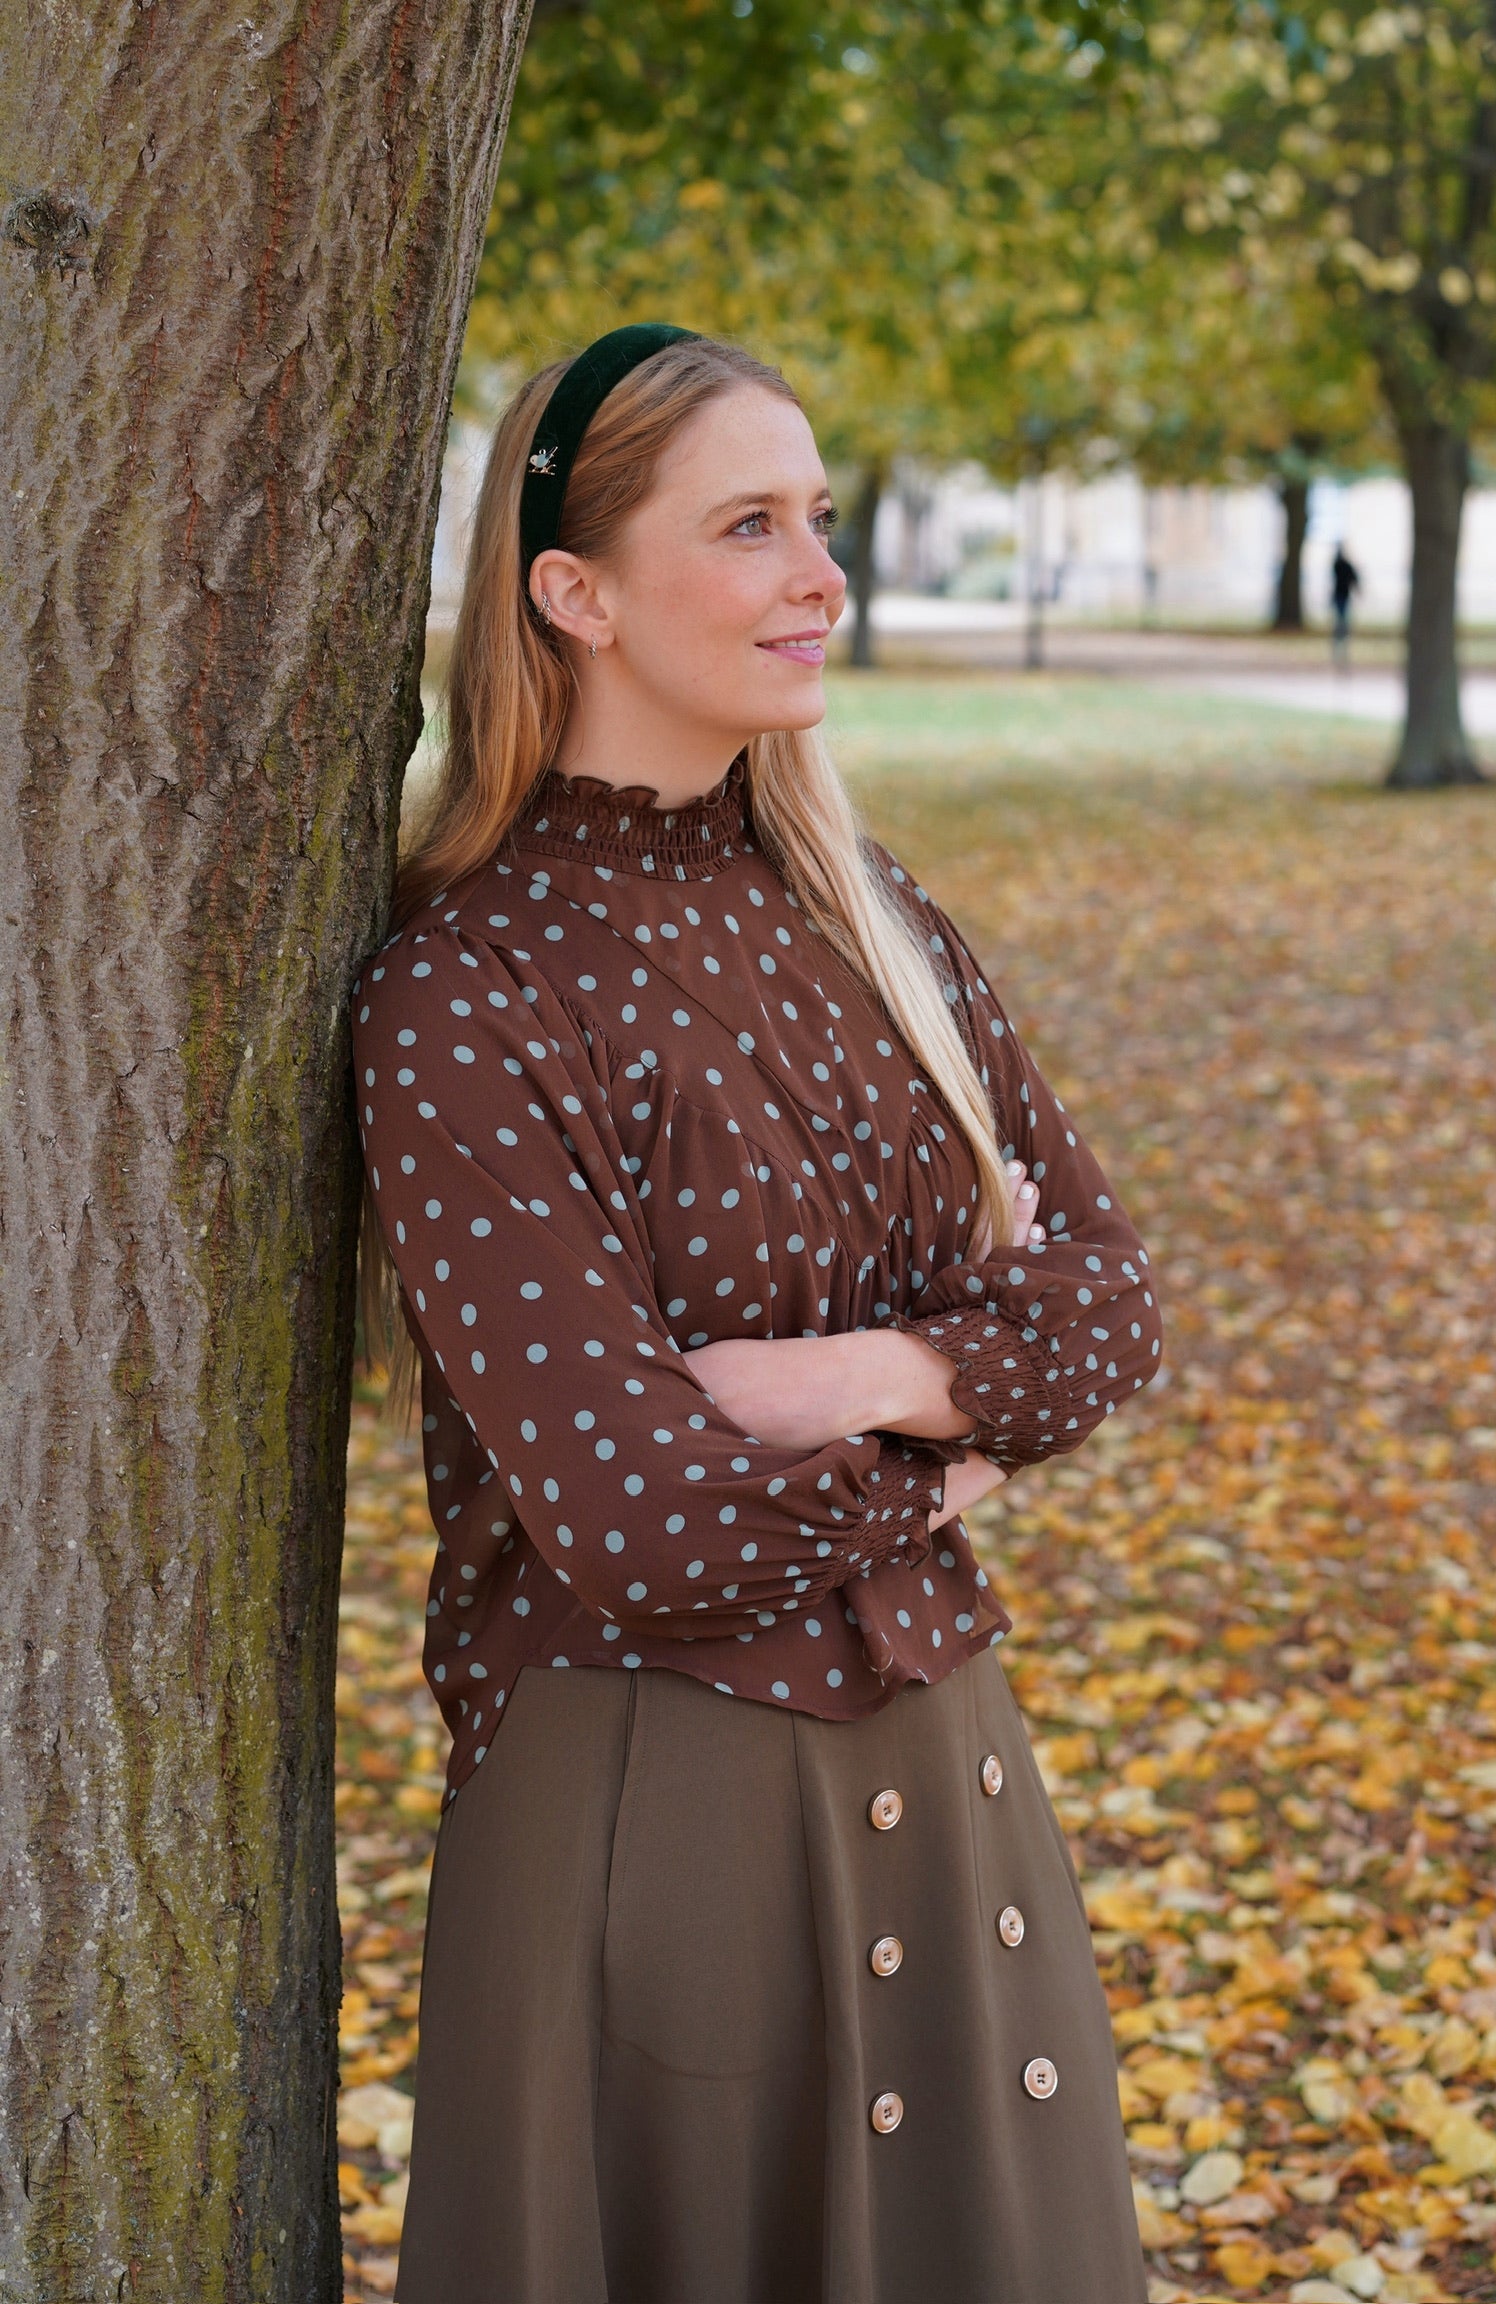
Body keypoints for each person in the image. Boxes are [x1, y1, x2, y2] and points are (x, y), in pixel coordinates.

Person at [352, 324, 1163, 2303]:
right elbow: (646, 1528)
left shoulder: (870, 915)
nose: (823, 575)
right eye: (751, 527)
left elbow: (1112, 1301)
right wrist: (963, 1454)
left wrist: (873, 1380)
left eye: (819, 519)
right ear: (579, 593)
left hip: (958, 1789)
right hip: (656, 1822)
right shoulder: (466, 998)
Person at [1331, 542, 1362, 664]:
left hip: (1340, 596)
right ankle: (1341, 640)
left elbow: (1353, 578)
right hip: (1342, 596)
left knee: (1340, 620)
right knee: (1342, 620)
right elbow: (1354, 578)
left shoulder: (1337, 565)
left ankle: (1340, 641)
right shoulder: (1342, 565)